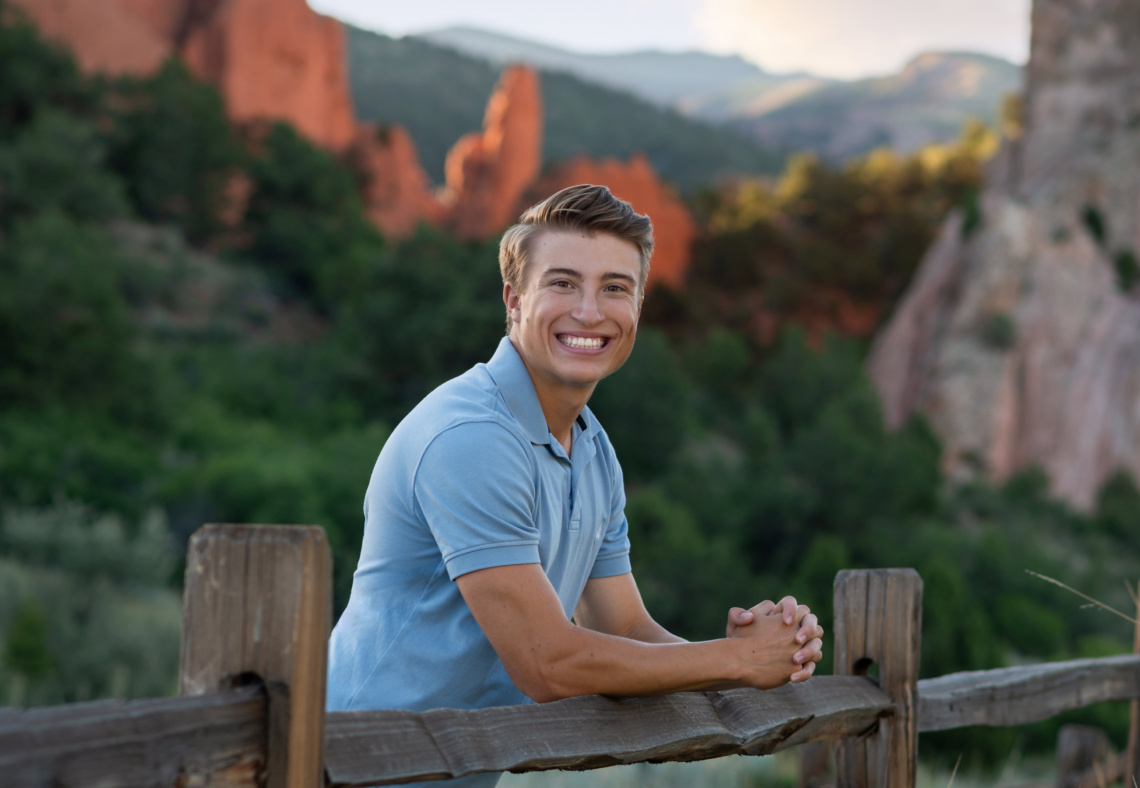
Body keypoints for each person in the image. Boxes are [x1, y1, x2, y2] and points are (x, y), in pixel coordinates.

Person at [326, 184, 824, 785]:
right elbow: (548, 663)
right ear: (515, 300)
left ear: (637, 307)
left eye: (615, 288)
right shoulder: (471, 437)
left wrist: (759, 657)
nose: (590, 312)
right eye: (563, 283)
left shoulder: (591, 448)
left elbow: (625, 628)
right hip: (346, 768)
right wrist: (736, 660)